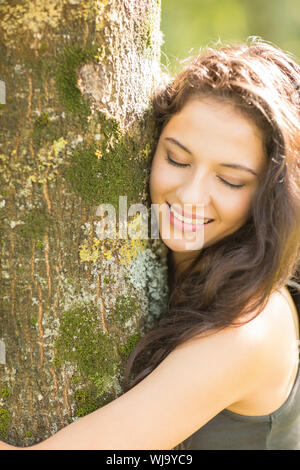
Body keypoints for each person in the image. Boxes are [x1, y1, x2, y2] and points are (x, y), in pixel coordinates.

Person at [1, 38, 300, 450]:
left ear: (271, 196)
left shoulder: (248, 328)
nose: (190, 196)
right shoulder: (181, 267)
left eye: (230, 180)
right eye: (177, 159)